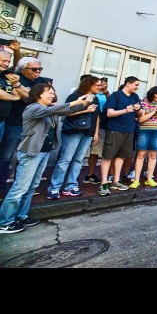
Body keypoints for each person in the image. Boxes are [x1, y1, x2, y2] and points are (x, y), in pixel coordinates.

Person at [0, 83, 93, 233]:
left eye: (52, 92)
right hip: (32, 153)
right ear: (38, 94)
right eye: (48, 92)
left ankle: (21, 215)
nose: (52, 95)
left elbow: (64, 111)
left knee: (31, 186)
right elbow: (57, 109)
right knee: (20, 187)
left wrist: (85, 102)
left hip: (43, 152)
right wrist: (76, 101)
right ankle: (5, 221)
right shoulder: (33, 108)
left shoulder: (47, 110)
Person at [0, 57, 50, 191]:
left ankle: (21, 183)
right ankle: (2, 185)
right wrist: (21, 93)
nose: (38, 71)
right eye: (34, 69)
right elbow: (29, 98)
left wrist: (25, 95)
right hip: (15, 121)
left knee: (29, 154)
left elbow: (47, 97)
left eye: (40, 69)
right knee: (6, 154)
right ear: (23, 69)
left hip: (34, 124)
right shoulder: (15, 78)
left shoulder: (42, 81)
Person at [47, 76, 101, 199]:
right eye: (97, 85)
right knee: (65, 159)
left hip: (88, 132)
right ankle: (54, 187)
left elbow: (97, 115)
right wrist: (85, 110)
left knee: (78, 160)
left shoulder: (96, 98)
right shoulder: (75, 96)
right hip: (73, 131)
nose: (99, 87)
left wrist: (96, 132)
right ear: (88, 84)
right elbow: (66, 111)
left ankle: (71, 186)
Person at [98, 76, 143, 196]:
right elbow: (109, 113)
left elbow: (141, 113)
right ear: (128, 84)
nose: (138, 87)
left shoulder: (135, 97)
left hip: (129, 130)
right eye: (136, 85)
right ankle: (103, 183)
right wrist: (125, 110)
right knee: (108, 156)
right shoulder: (116, 95)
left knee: (121, 156)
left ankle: (116, 181)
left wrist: (138, 109)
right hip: (115, 130)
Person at [130, 86, 157, 189]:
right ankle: (136, 180)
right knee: (141, 155)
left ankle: (149, 179)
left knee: (153, 155)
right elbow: (141, 119)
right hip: (144, 131)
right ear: (152, 94)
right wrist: (153, 112)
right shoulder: (144, 104)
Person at [85, 76, 111, 184]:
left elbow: (111, 102)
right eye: (99, 84)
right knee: (95, 151)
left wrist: (106, 91)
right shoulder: (94, 95)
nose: (101, 86)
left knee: (107, 152)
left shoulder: (107, 95)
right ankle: (90, 174)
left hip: (107, 123)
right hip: (97, 123)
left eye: (103, 83)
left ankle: (105, 176)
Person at [0, 49, 26, 144]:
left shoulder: (6, 75)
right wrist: (15, 97)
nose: (6, 64)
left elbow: (25, 94)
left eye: (8, 61)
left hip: (2, 121)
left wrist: (16, 85)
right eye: (3, 61)